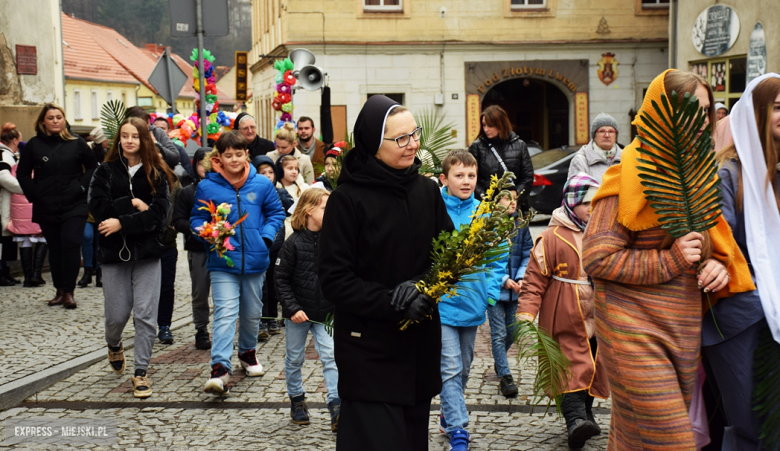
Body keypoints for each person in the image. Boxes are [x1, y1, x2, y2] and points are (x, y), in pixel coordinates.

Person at [581, 69, 755, 450]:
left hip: (679, 330)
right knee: (671, 441)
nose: (699, 121)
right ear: (662, 113)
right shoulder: (627, 174)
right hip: (631, 330)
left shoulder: (697, 177)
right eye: (688, 110)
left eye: (705, 111)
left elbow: (711, 245)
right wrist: (671, 260)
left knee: (633, 440)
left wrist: (714, 264)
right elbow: (596, 257)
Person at [318, 95, 454, 451]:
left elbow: (450, 256)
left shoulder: (426, 189)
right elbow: (334, 279)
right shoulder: (347, 199)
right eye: (401, 139)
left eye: (415, 134)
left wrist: (424, 288)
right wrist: (393, 302)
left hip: (418, 348)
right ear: (373, 145)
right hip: (370, 353)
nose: (414, 145)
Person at [705, 73, 780, 450]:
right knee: (752, 424)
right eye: (779, 106)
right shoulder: (727, 176)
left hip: (775, 315)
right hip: (742, 319)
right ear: (757, 112)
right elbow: (719, 251)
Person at [517, 173, 609, 449]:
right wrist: (526, 313)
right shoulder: (551, 237)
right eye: (586, 203)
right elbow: (534, 280)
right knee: (570, 366)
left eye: (596, 202)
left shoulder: (602, 231)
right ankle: (575, 421)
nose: (591, 208)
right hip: (565, 315)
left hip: (598, 315)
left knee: (592, 364)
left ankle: (586, 414)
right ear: (571, 202)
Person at [190, 131, 285, 395]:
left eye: (238, 154)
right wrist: (206, 231)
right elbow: (196, 220)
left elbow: (275, 213)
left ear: (247, 155)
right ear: (218, 157)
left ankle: (247, 353)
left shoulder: (261, 184)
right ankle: (219, 368)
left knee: (252, 312)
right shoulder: (207, 186)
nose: (233, 159)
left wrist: (264, 238)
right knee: (225, 313)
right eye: (228, 155)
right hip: (222, 260)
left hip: (256, 260)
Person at [88, 117, 174, 398]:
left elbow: (159, 216)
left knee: (146, 315)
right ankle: (113, 343)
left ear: (144, 140)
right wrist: (136, 206)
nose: (129, 140)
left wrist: (122, 221)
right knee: (116, 315)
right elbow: (99, 210)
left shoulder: (157, 174)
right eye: (124, 136)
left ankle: (140, 373)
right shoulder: (105, 171)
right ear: (119, 140)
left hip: (148, 253)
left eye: (134, 136)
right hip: (114, 254)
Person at [436, 149, 507, 451]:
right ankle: (458, 430)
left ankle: (447, 411)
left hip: (473, 303)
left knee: (464, 367)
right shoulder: (433, 209)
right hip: (441, 305)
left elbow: (498, 258)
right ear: (445, 178)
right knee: (450, 367)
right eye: (459, 175)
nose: (466, 181)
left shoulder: (485, 215)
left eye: (471, 176)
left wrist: (489, 295)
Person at [17, 104, 98, 309]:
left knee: (71, 242)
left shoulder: (77, 143)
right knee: (55, 248)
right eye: (51, 117)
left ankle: (69, 292)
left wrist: (81, 186)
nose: (55, 120)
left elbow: (92, 168)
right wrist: (34, 194)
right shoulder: (34, 145)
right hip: (46, 203)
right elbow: (23, 173)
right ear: (43, 121)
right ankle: (59, 290)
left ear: (64, 120)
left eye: (59, 117)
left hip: (74, 203)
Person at [275, 187, 340, 431]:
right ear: (309, 210)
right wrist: (292, 308)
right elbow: (280, 279)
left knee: (332, 357)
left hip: (326, 313)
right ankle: (297, 400)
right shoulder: (293, 243)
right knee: (294, 358)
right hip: (298, 316)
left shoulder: (334, 241)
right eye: (326, 208)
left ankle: (336, 404)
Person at [487, 186, 533, 398]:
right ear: (496, 202)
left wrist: (521, 277)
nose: (513, 202)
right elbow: (485, 260)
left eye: (515, 199)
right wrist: (503, 279)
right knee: (498, 333)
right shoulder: (488, 225)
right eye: (507, 199)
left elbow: (527, 253)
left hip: (516, 289)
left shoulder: (521, 225)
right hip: (494, 290)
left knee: (513, 331)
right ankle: (505, 376)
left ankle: (499, 360)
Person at [172, 147, 212, 350]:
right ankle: (201, 328)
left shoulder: (227, 189)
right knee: (200, 291)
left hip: (225, 249)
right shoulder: (188, 192)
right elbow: (177, 220)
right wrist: (197, 228)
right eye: (201, 163)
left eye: (210, 162)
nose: (206, 167)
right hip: (198, 248)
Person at [251, 155, 293, 339]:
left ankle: (272, 319)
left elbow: (290, 210)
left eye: (270, 172)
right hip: (258, 245)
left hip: (277, 244)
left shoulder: (281, 192)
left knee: (273, 282)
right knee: (260, 286)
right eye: (262, 172)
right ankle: (260, 319)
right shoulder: (252, 192)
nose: (267, 176)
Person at [468, 105, 534, 209]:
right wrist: (487, 200)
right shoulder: (477, 147)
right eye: (484, 125)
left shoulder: (520, 145)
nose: (486, 129)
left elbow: (527, 178)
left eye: (490, 126)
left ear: (501, 124)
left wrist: (513, 199)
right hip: (487, 209)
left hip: (515, 208)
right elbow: (472, 178)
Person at [78, 126, 110, 288]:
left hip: (104, 204)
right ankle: (87, 271)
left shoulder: (110, 156)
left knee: (100, 238)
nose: (108, 142)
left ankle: (99, 272)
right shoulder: (87, 155)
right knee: (87, 236)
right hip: (86, 203)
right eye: (106, 139)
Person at [157, 175, 182, 344]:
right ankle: (144, 322)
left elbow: (180, 209)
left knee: (166, 285)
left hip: (167, 242)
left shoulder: (173, 181)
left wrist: (174, 227)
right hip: (143, 243)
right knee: (143, 287)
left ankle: (164, 325)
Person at [0, 123, 25, 286]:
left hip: (5, 202)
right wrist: (25, 188)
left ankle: (5, 271)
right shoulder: (4, 155)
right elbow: (3, 177)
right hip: (2, 202)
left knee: (5, 240)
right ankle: (1, 273)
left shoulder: (6, 153)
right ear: (15, 140)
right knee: (2, 241)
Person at [567, 112, 623, 183]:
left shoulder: (625, 158)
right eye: (602, 131)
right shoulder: (581, 161)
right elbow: (575, 192)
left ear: (616, 136)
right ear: (594, 136)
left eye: (611, 131)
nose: (607, 135)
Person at [276, 155, 308, 241]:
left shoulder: (304, 189)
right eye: (290, 168)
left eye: (296, 168)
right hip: (282, 234)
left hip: (301, 232)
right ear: (280, 170)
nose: (294, 172)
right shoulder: (274, 189)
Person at [153, 115, 194, 180]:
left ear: (169, 131)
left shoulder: (178, 149)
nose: (159, 131)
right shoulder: (147, 148)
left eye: (162, 128)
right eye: (156, 128)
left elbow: (188, 171)